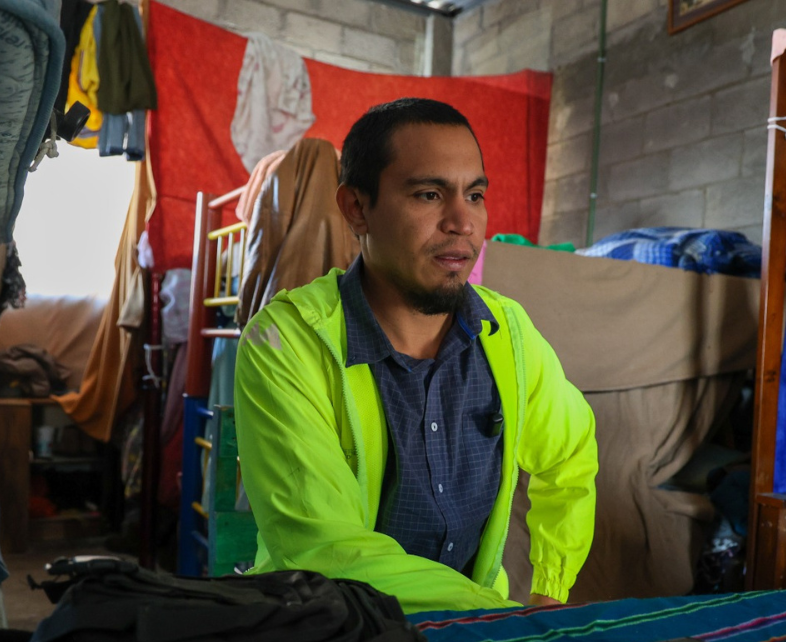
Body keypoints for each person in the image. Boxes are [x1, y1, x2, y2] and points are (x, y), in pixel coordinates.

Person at [235, 98, 597, 613]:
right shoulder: (286, 344)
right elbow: (327, 548)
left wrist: (549, 586)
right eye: (429, 194)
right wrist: (501, 618)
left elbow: (570, 452)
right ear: (357, 208)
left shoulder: (507, 333)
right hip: (330, 629)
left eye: (475, 195)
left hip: (472, 632)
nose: (462, 222)